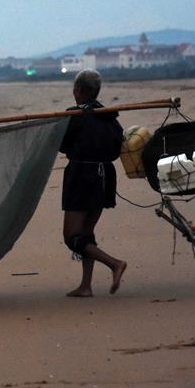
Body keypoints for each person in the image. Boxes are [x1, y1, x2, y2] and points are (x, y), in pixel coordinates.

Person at [59, 69, 127, 297]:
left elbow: (61, 144)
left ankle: (114, 264)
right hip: (105, 176)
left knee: (72, 236)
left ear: (78, 90)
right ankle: (85, 286)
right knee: (86, 233)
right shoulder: (109, 116)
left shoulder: (75, 115)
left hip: (81, 175)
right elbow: (117, 147)